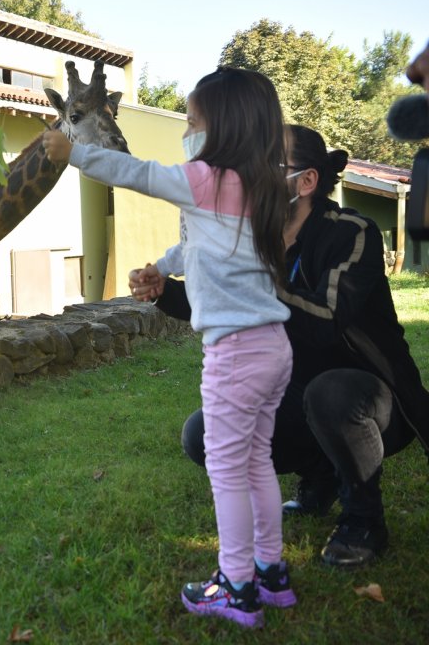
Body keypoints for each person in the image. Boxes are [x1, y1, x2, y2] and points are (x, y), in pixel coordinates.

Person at [44, 67, 293, 629]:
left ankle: (235, 585)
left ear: (222, 127)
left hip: (232, 354)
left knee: (227, 469)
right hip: (273, 348)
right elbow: (201, 246)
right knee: (257, 461)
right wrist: (161, 264)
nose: (186, 130)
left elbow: (139, 173)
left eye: (191, 121)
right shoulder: (259, 186)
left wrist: (74, 153)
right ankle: (271, 572)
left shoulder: (205, 178)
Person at [132, 123, 429, 571]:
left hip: (372, 402)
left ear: (306, 181)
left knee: (329, 392)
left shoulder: (353, 233)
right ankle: (321, 475)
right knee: (204, 433)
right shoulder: (254, 239)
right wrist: (164, 291)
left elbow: (328, 320)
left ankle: (363, 519)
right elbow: (217, 300)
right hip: (295, 393)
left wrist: (256, 282)